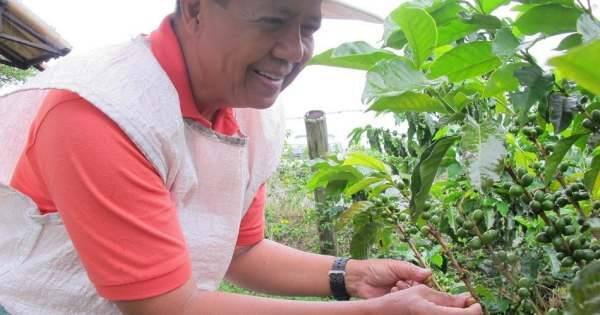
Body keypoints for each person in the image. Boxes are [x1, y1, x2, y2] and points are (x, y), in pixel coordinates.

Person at [0, 1, 483, 314]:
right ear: (195, 9)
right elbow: (166, 308)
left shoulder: (249, 114)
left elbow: (241, 251)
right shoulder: (101, 112)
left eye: (307, 28)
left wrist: (350, 276)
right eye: (273, 19)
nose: (293, 50)